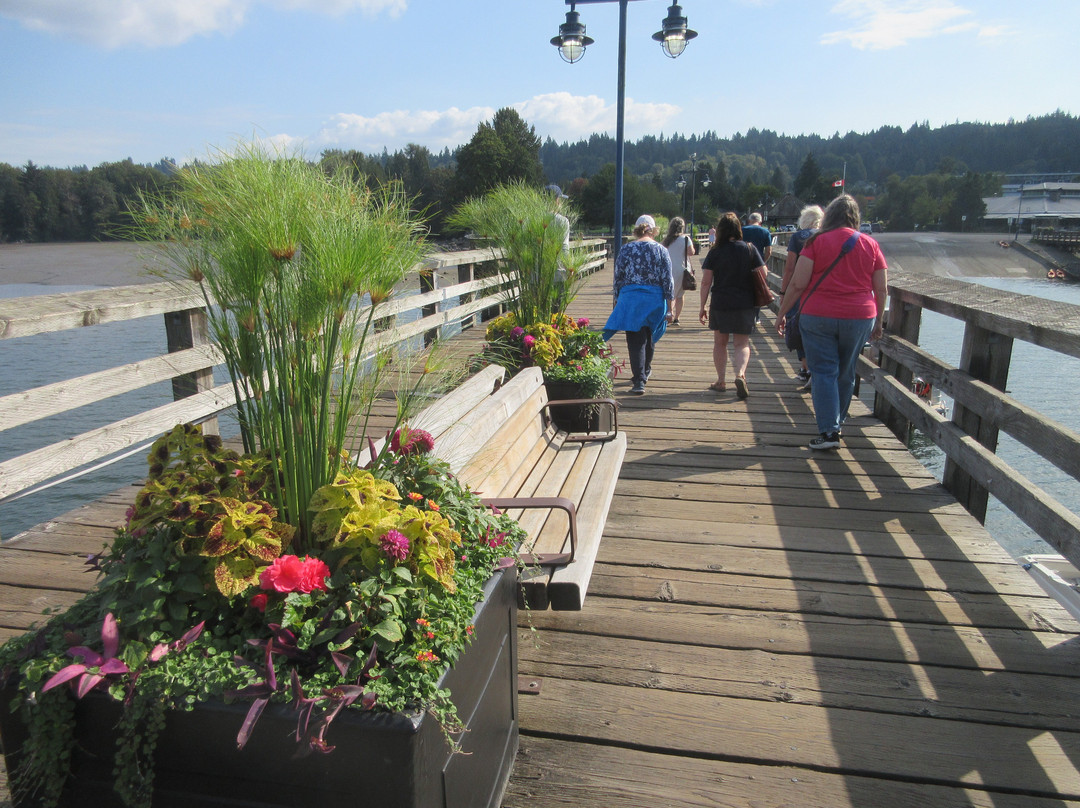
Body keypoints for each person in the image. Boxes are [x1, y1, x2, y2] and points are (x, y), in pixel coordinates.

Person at [775, 194, 887, 450]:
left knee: (824, 371)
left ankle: (828, 432)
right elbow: (881, 290)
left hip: (818, 316)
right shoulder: (871, 244)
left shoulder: (816, 242)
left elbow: (799, 283)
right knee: (846, 372)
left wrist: (782, 312)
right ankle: (838, 423)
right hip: (859, 317)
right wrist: (879, 320)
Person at [603, 214, 674, 395]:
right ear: (654, 231)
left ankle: (639, 380)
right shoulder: (661, 250)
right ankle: (645, 371)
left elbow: (618, 277)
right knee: (649, 335)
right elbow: (668, 280)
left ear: (636, 230)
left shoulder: (627, 249)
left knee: (635, 339)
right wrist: (671, 307)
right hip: (654, 298)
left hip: (631, 298)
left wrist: (618, 301)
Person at [698, 212, 765, 400]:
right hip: (745, 302)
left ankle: (720, 381)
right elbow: (763, 273)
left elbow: (706, 282)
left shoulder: (715, 251)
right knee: (741, 343)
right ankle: (740, 374)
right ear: (738, 229)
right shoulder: (749, 249)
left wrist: (702, 306)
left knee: (720, 343)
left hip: (721, 302)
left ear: (720, 231)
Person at [780, 204, 824, 391]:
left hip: (799, 290)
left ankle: (806, 368)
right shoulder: (824, 236)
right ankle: (816, 370)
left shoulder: (798, 237)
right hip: (819, 292)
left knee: (798, 327)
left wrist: (783, 292)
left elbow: (790, 267)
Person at [661, 216, 697, 325]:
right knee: (680, 295)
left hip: (669, 268)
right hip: (682, 270)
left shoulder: (666, 240)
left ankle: (669, 314)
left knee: (670, 293)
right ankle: (676, 317)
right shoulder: (685, 239)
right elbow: (691, 252)